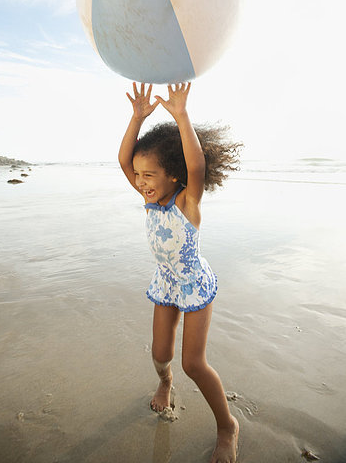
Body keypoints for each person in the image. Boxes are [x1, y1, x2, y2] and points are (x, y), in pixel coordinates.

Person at [118, 81, 242, 463]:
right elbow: (124, 161)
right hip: (166, 284)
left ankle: (227, 426)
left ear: (172, 175)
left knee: (193, 363)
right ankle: (165, 383)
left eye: (148, 175)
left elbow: (196, 164)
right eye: (138, 176)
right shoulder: (149, 199)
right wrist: (136, 118)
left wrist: (181, 116)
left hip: (194, 286)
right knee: (160, 354)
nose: (139, 182)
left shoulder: (187, 203)